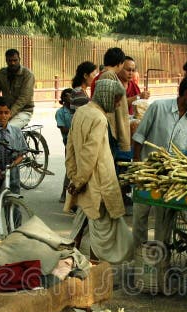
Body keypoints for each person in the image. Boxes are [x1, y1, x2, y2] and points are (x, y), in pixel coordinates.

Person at [131, 75, 187, 246]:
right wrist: (136, 164)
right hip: (147, 173)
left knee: (164, 220)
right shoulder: (158, 107)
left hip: (171, 178)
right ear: (186, 93)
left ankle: (159, 259)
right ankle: (139, 256)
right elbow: (139, 136)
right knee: (140, 217)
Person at [64, 78, 133, 264]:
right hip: (98, 182)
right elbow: (89, 154)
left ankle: (70, 263)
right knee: (100, 229)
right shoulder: (99, 118)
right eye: (117, 99)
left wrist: (73, 176)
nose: (118, 104)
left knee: (82, 223)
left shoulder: (81, 112)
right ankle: (94, 269)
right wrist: (78, 181)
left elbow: (70, 147)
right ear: (107, 96)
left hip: (83, 179)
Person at [91, 47, 131, 155]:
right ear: (120, 63)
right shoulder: (108, 75)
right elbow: (108, 104)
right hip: (109, 125)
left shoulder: (109, 75)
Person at [56, 88, 74, 203]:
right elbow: (63, 129)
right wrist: (77, 129)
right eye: (68, 96)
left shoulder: (77, 110)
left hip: (78, 141)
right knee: (69, 168)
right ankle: (64, 193)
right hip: (68, 142)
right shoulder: (60, 113)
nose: (71, 98)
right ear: (63, 99)